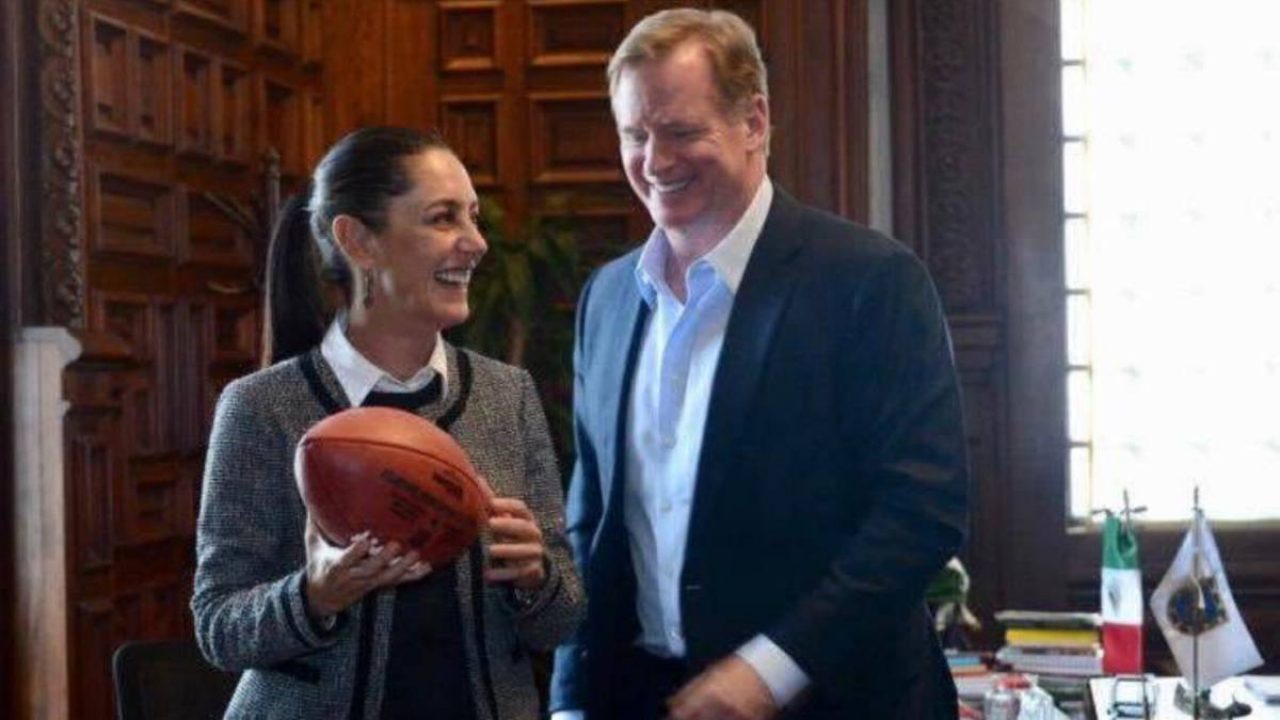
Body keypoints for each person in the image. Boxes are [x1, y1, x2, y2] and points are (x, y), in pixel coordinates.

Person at [550, 8, 968, 720]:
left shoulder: (870, 281)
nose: (655, 161)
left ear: (754, 122)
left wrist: (769, 671)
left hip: (837, 701)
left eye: (680, 132)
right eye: (635, 135)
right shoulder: (608, 298)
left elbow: (921, 513)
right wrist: (570, 702)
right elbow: (591, 525)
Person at [192, 126, 584, 720]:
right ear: (358, 241)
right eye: (443, 218)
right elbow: (218, 627)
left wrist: (536, 578)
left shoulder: (509, 395)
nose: (477, 243)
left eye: (474, 217)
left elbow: (562, 619)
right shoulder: (260, 407)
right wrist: (314, 596)